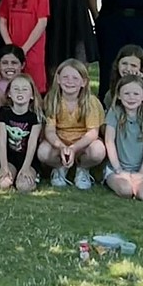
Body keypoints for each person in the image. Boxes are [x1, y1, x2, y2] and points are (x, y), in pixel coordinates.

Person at [37, 59, 106, 190]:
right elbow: (50, 131)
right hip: (59, 141)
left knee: (98, 151)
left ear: (84, 82)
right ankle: (60, 168)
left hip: (83, 143)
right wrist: (62, 147)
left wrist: (74, 148)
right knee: (43, 152)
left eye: (75, 78)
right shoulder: (52, 99)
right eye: (65, 77)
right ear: (58, 79)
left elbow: (92, 133)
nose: (70, 81)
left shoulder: (90, 101)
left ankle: (83, 169)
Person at [0, 0, 50, 91]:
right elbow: (2, 21)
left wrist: (24, 49)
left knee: (34, 86)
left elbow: (42, 22)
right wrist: (11, 47)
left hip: (33, 50)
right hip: (13, 50)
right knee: (11, 85)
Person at [104, 75, 143, 201]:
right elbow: (109, 141)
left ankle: (142, 184)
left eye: (136, 93)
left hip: (141, 169)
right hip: (117, 169)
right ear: (118, 95)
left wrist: (141, 174)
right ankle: (123, 182)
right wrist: (119, 170)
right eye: (127, 93)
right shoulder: (115, 112)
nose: (131, 97)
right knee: (125, 191)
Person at [0, 73, 43, 193]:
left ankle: (32, 175)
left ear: (32, 95)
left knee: (23, 186)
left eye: (25, 89)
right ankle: (11, 174)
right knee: (2, 184)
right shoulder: (4, 112)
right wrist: (4, 167)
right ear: (9, 93)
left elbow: (32, 144)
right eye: (15, 89)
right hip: (10, 159)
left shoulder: (35, 115)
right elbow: (2, 141)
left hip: (28, 159)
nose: (20, 92)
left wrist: (26, 167)